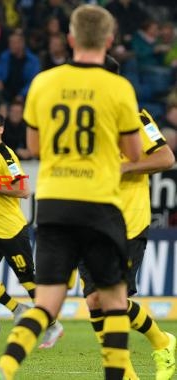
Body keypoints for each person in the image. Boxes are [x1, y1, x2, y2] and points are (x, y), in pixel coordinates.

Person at [0, 5, 143, 379]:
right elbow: (134, 153)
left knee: (46, 303)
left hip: (55, 205)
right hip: (100, 204)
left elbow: (35, 146)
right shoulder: (119, 87)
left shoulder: (44, 82)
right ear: (108, 41)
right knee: (115, 301)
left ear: (70, 40)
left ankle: (5, 368)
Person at [78, 56, 176, 380]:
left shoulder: (135, 118)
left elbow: (165, 157)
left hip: (127, 223)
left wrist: (125, 167)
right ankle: (129, 373)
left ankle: (162, 344)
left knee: (112, 299)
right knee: (94, 301)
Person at [0, 109, 64, 348]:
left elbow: (23, 189)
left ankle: (53, 325)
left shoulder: (6, 155)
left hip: (11, 230)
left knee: (29, 281)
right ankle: (18, 309)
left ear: (0, 129)